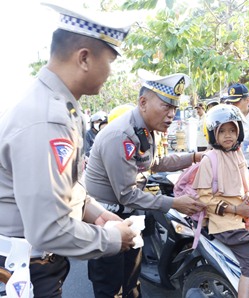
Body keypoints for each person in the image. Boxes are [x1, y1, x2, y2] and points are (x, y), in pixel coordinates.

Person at [0, 3, 137, 297]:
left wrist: (97, 214)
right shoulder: (47, 118)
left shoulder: (60, 107)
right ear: (84, 58)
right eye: (110, 61)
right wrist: (112, 239)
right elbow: (47, 230)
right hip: (26, 271)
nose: (111, 72)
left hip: (37, 265)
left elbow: (64, 188)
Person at [85, 69, 207, 298]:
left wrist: (193, 157)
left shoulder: (145, 130)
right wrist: (174, 203)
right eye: (166, 107)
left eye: (174, 108)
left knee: (131, 282)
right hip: (105, 218)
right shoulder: (121, 135)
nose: (172, 114)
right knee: (110, 287)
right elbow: (126, 194)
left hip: (129, 216)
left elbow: (154, 163)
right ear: (143, 102)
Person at [192, 104, 249, 298]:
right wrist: (237, 209)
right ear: (213, 134)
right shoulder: (209, 159)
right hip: (224, 224)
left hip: (244, 217)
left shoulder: (238, 154)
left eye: (232, 130)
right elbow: (204, 198)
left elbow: (247, 188)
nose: (228, 135)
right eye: (222, 131)